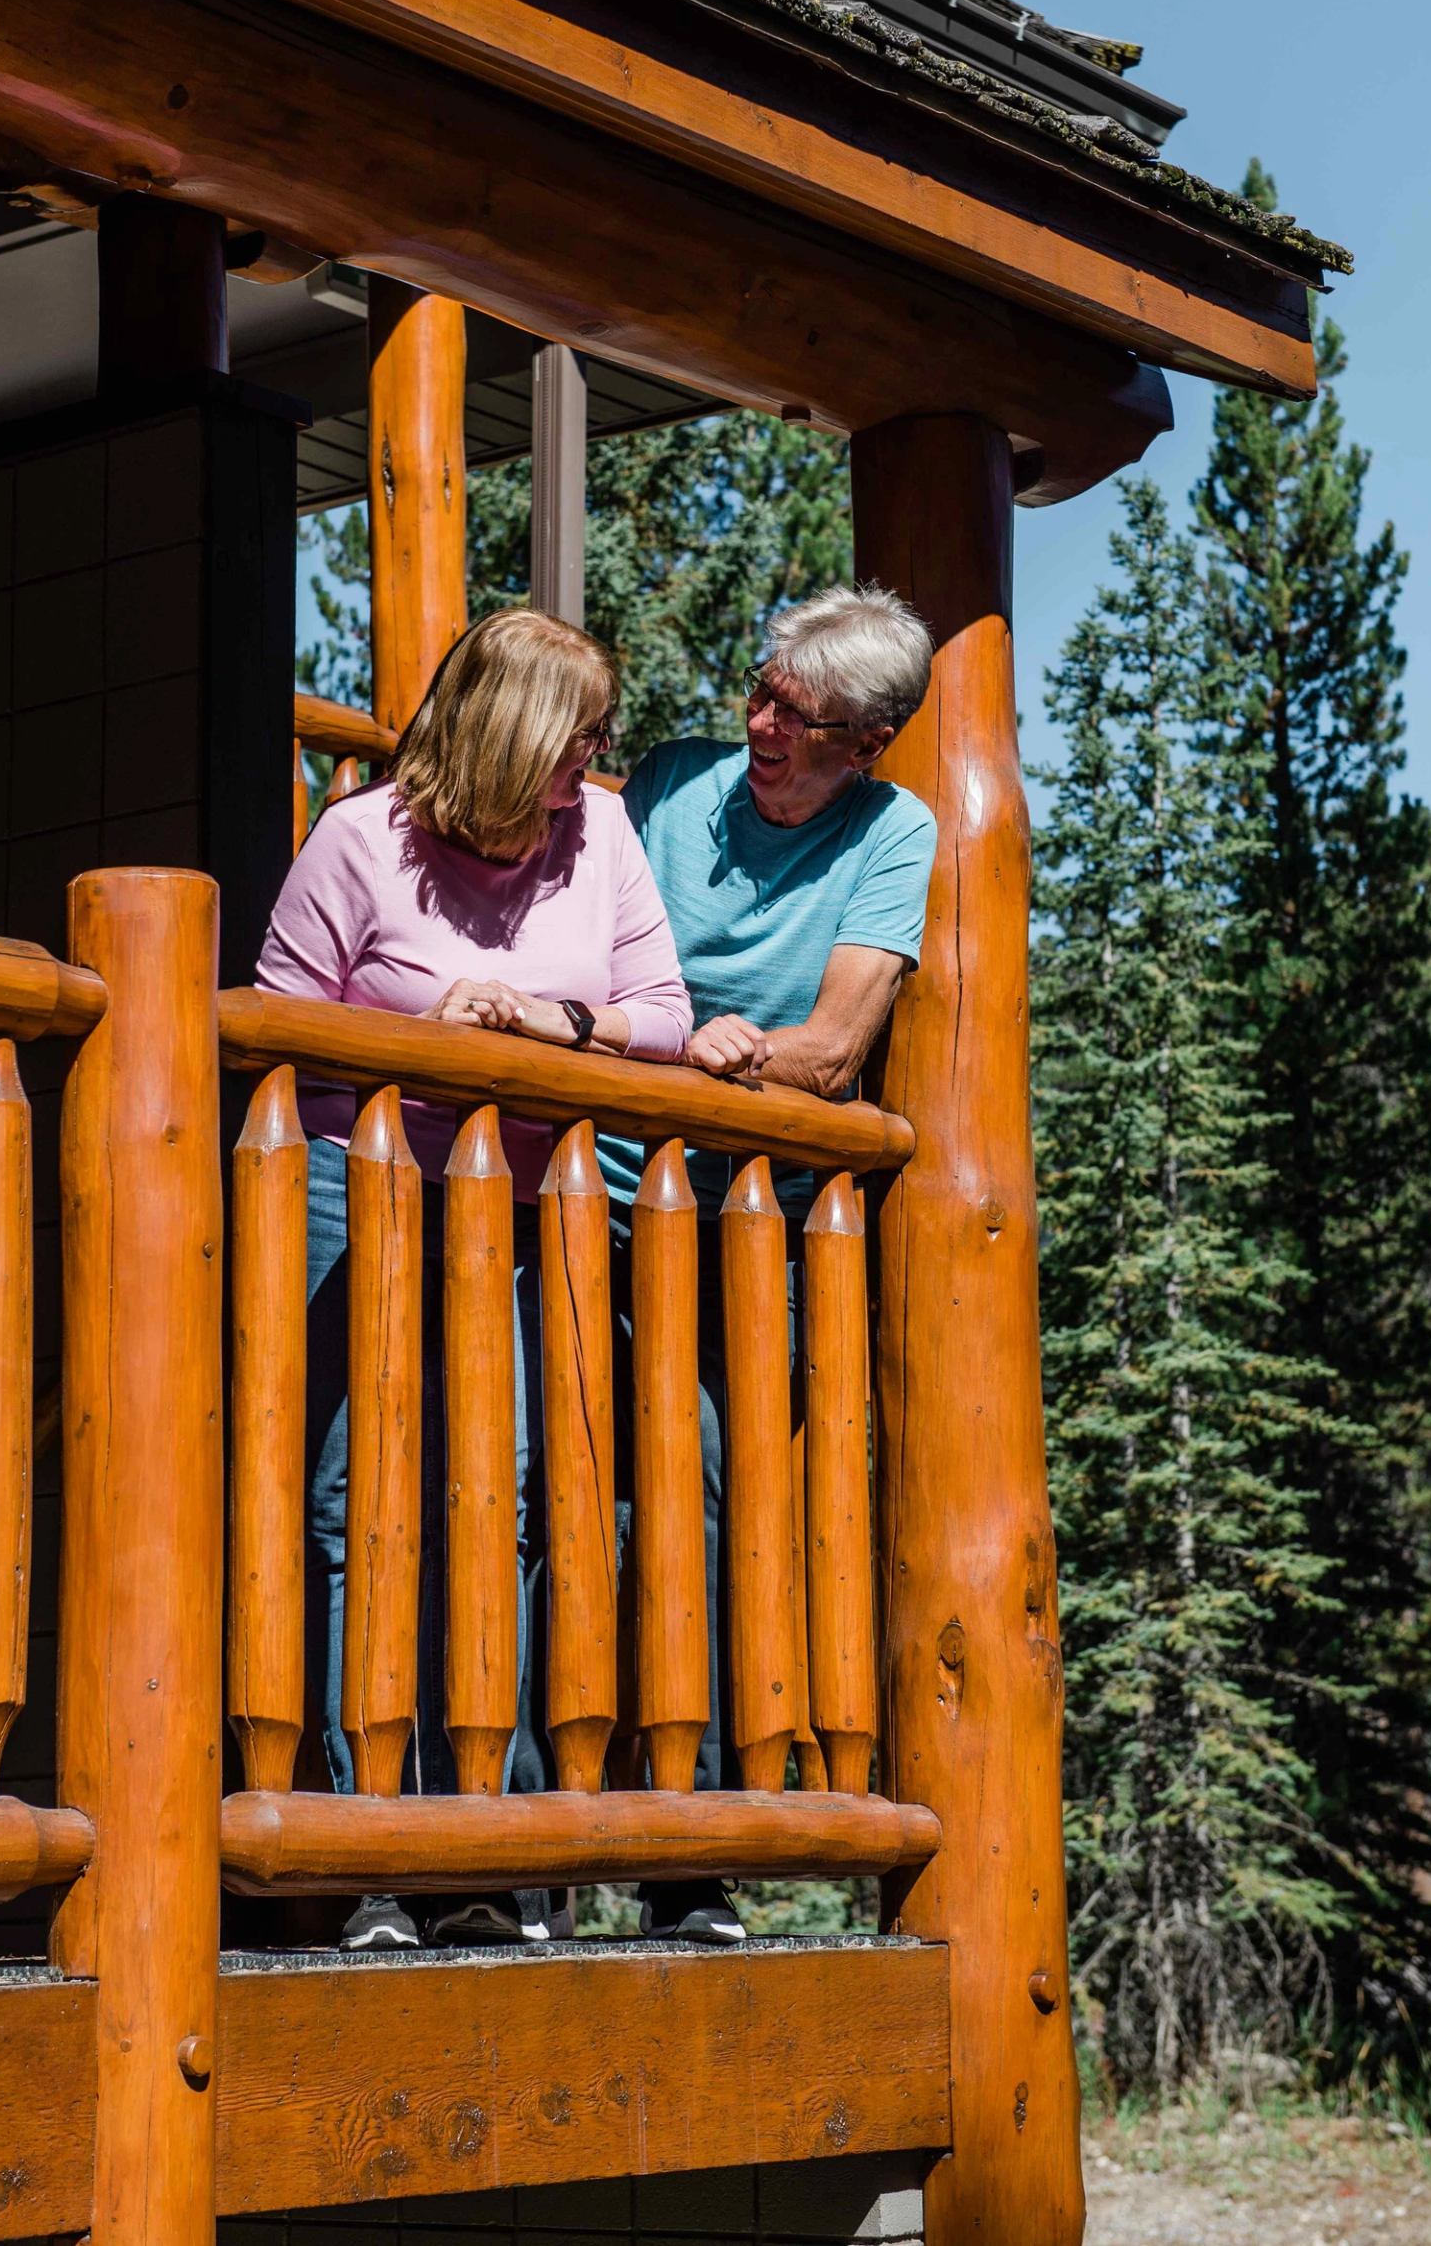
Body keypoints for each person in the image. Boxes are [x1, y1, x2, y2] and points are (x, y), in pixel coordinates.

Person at [255, 608, 692, 1951]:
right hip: (353, 1187)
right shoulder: (357, 840)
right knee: (351, 1501)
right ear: (510, 736)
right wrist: (419, 1032)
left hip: (526, 1200)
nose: (594, 764)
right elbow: (271, 1019)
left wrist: (550, 1023)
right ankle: (363, 1847)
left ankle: (484, 1860)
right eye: (578, 740)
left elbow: (663, 1018)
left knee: (499, 1501)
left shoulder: (600, 833)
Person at [597, 580, 938, 1945]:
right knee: (542, 1495)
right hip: (592, 1192)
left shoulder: (893, 831)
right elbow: (575, 959)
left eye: (795, 717)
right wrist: (687, 1042)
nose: (760, 727)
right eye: (761, 691)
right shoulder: (671, 784)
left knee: (718, 1513)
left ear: (865, 740)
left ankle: (695, 1857)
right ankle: (499, 1855)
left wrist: (671, 1036)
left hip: (755, 1232)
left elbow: (836, 1051)